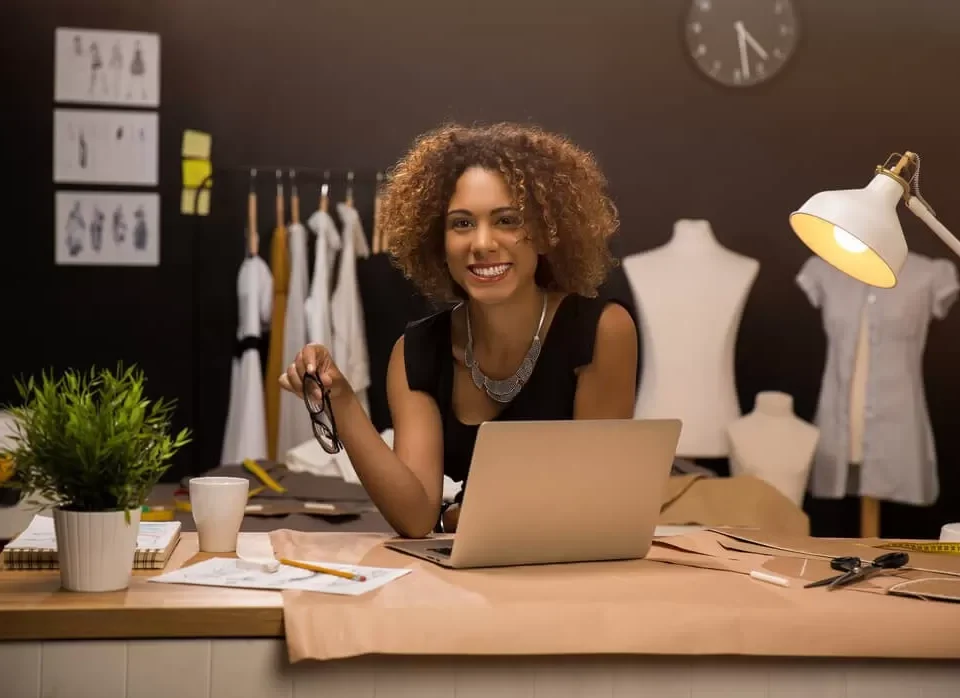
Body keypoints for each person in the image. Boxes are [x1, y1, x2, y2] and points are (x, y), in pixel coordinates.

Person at [280, 122, 638, 538]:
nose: (482, 243)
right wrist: (339, 400)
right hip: (465, 585)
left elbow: (595, 502)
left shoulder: (600, 333)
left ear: (544, 234)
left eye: (507, 220)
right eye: (462, 224)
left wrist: (461, 514)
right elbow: (415, 518)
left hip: (570, 579)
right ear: (438, 241)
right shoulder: (418, 351)